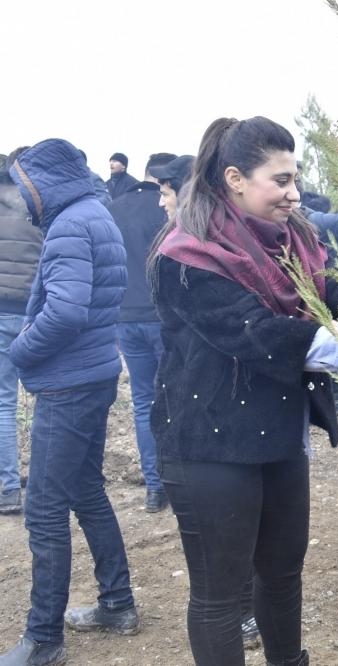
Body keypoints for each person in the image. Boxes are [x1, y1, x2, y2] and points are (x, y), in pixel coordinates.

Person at [148, 116, 338, 666]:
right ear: (235, 178)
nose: (294, 192)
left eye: (295, 178)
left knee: (283, 572)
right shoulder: (187, 255)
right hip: (209, 441)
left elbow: (329, 293)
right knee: (219, 594)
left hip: (278, 433)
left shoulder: (293, 242)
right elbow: (254, 334)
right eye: (280, 180)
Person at [1, 139, 139, 666]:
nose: (22, 195)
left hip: (68, 385)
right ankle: (117, 602)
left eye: (24, 183)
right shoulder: (93, 214)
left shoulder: (69, 225)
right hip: (93, 373)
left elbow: (64, 312)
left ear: (43, 181)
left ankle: (44, 639)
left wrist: (19, 350)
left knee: (43, 509)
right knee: (85, 489)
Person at [107, 152, 176, 513]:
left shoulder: (114, 209)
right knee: (177, 395)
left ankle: (154, 486)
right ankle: (179, 480)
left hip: (126, 318)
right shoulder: (165, 208)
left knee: (142, 401)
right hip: (162, 316)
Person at [0, 154, 42, 516]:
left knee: (3, 403)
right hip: (32, 312)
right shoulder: (37, 206)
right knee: (45, 397)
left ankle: (10, 489)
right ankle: (46, 480)